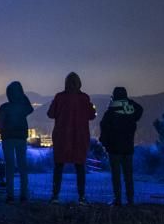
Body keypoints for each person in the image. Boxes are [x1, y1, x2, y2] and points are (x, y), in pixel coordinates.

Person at [47, 72, 96, 204]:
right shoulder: (84, 98)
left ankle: (55, 196)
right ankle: (81, 197)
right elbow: (92, 115)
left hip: (62, 137)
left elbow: (50, 114)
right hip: (80, 137)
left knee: (59, 166)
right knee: (80, 167)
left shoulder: (60, 97)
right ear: (79, 83)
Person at [99, 86, 144, 206]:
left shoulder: (111, 112)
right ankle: (130, 200)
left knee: (116, 176)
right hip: (128, 148)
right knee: (128, 176)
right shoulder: (130, 111)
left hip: (114, 149)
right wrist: (128, 101)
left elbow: (103, 128)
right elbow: (140, 109)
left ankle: (117, 200)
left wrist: (104, 144)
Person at [0, 81, 34, 203]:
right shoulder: (22, 107)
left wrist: (3, 131)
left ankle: (10, 195)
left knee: (9, 167)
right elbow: (30, 109)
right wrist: (23, 95)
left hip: (7, 139)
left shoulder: (5, 107)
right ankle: (23, 195)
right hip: (21, 139)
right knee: (23, 167)